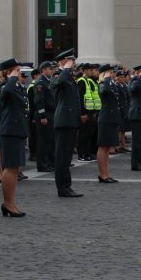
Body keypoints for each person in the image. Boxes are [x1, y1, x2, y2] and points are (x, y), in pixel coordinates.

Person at [50, 49, 82, 198]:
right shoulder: (58, 75)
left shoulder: (69, 76)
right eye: (71, 60)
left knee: (67, 156)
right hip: (63, 120)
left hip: (70, 120)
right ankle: (62, 187)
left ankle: (67, 186)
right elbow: (59, 83)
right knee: (62, 156)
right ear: (62, 61)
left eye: (73, 61)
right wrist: (66, 68)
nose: (73, 63)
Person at [0, 59, 27, 217]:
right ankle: (7, 203)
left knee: (15, 168)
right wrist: (12, 78)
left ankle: (10, 202)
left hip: (17, 129)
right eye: (17, 70)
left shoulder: (15, 86)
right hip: (10, 130)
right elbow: (8, 91)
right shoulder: (5, 86)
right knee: (9, 166)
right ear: (9, 72)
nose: (20, 73)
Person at [95, 65, 120, 183]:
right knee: (103, 146)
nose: (113, 74)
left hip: (112, 118)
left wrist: (110, 80)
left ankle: (106, 174)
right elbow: (105, 91)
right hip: (106, 118)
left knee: (108, 147)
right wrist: (107, 79)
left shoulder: (111, 84)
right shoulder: (102, 84)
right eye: (110, 72)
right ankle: (102, 175)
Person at [33, 62, 56, 172]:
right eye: (49, 69)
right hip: (44, 114)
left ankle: (49, 163)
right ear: (44, 70)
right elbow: (39, 100)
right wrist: (42, 115)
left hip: (51, 113)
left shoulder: (48, 81)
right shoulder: (40, 83)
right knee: (43, 141)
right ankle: (42, 165)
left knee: (50, 140)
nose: (51, 71)